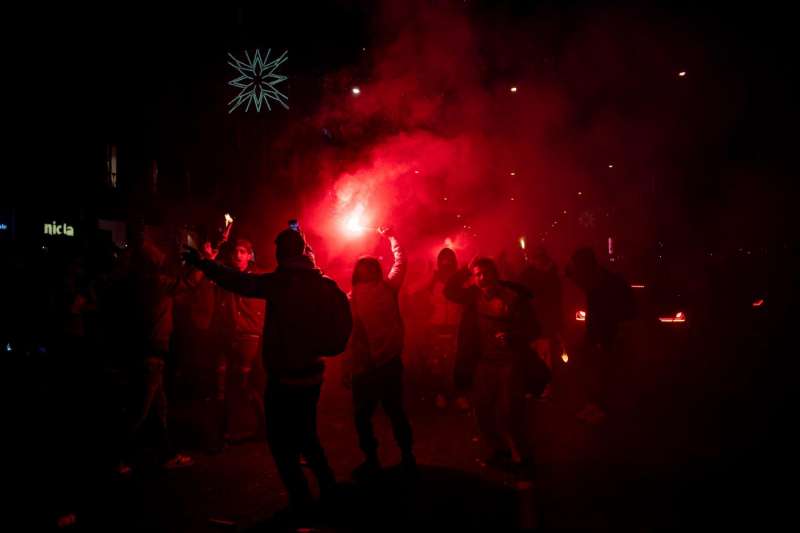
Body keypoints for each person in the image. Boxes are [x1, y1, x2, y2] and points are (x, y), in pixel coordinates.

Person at [183, 224, 351, 518]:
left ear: (282, 252)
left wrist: (203, 264)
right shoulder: (320, 282)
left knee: (281, 443)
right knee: (307, 436)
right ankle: (329, 491)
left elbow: (238, 282)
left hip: (285, 378)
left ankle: (302, 500)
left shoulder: (281, 282)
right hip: (312, 375)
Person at [445, 257, 541, 476]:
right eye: (478, 275)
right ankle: (500, 451)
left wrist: (512, 336)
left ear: (496, 274)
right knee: (482, 411)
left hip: (510, 364)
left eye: (487, 273)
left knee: (509, 413)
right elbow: (449, 291)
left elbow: (533, 329)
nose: (483, 278)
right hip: (484, 364)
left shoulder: (513, 299)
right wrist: (463, 270)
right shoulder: (473, 296)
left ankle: (523, 457)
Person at [342, 226, 415, 481]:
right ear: (357, 272)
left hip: (387, 363)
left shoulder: (388, 288)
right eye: (363, 266)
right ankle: (372, 459)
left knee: (395, 412)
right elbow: (350, 335)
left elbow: (401, 261)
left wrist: (393, 236)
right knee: (362, 418)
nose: (368, 269)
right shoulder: (351, 298)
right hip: (364, 367)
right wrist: (347, 366)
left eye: (371, 265)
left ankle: (408, 456)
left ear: (377, 269)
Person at [565, 247, 635, 424]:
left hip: (611, 336)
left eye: (578, 267)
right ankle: (594, 404)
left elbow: (626, 311)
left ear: (587, 266)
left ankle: (603, 409)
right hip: (597, 336)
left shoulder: (610, 283)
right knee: (592, 371)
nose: (576, 273)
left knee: (605, 373)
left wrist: (610, 336)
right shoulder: (593, 282)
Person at [208, 238, 266, 447]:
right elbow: (207, 280)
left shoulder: (257, 278)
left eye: (243, 252)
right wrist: (210, 259)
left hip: (248, 336)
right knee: (221, 383)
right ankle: (221, 433)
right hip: (225, 334)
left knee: (242, 384)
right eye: (236, 251)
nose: (238, 255)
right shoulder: (224, 277)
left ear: (250, 255)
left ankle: (261, 426)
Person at [423, 248, 469, 410]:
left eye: (449, 259)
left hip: (456, 325)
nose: (446, 262)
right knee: (437, 363)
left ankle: (456, 394)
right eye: (443, 259)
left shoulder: (460, 279)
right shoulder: (433, 277)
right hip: (436, 325)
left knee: (455, 363)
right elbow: (419, 295)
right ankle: (439, 394)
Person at [520, 246, 564, 397]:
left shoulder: (551, 276)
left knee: (546, 356)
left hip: (544, 324)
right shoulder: (528, 275)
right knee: (532, 355)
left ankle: (546, 387)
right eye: (536, 258)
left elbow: (555, 300)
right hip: (532, 323)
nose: (537, 261)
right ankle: (534, 386)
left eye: (540, 258)